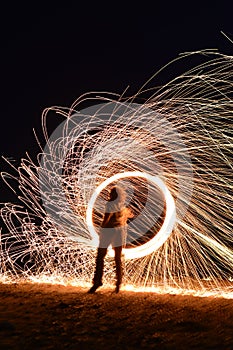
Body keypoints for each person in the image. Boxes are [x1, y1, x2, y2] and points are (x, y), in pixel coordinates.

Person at [88, 185, 133, 294]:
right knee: (117, 258)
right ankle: (118, 284)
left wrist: (101, 231)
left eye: (110, 193)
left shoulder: (110, 204)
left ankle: (97, 281)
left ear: (113, 194)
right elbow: (131, 215)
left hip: (108, 231)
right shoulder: (123, 206)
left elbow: (106, 219)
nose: (109, 194)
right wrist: (126, 215)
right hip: (119, 233)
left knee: (100, 257)